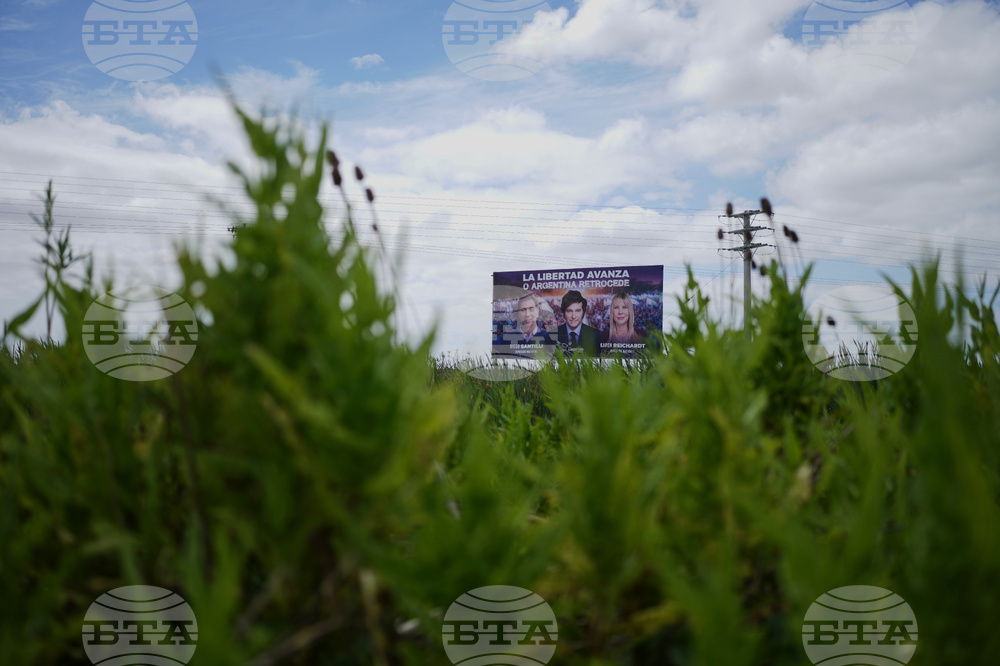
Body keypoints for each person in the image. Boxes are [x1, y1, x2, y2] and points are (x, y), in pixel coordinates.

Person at [556, 290, 600, 357]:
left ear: (583, 312)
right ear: (564, 313)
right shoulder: (552, 336)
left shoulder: (596, 335)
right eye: (569, 311)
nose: (573, 316)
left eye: (578, 311)